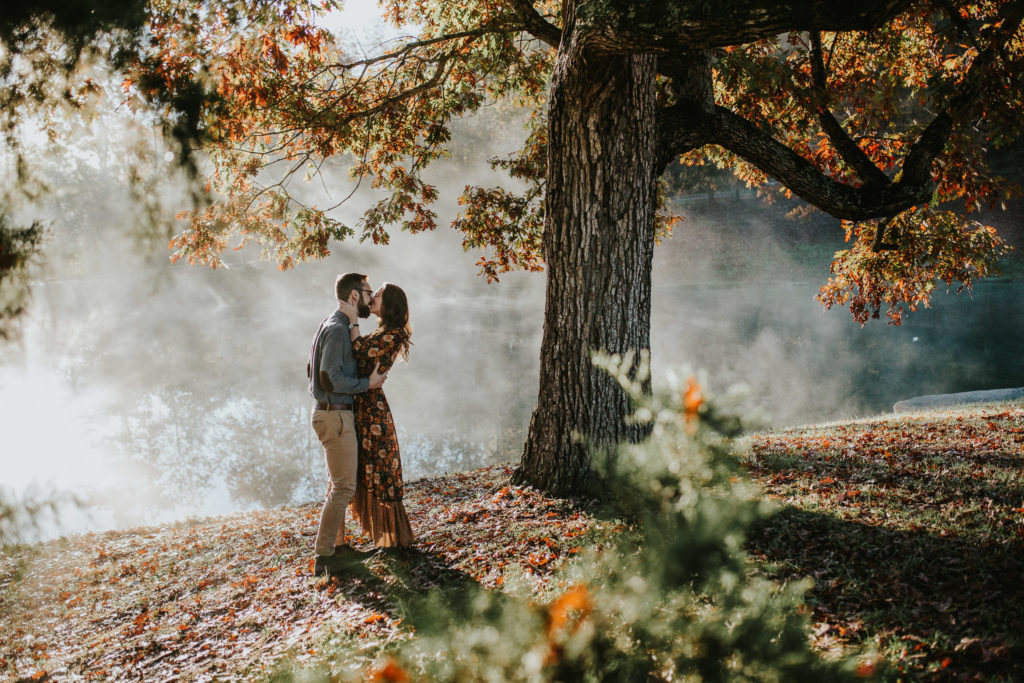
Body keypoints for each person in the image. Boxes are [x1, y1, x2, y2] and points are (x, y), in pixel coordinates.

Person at [307, 272, 387, 575]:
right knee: (343, 488)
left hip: (331, 413)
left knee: (338, 486)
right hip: (335, 415)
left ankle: (338, 548)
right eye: (368, 293)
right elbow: (329, 376)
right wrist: (368, 383)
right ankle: (324, 557)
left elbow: (310, 370)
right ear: (355, 295)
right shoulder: (338, 330)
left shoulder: (331, 323)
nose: (370, 299)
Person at [338, 283, 415, 547]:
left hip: (373, 410)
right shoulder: (383, 330)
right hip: (362, 403)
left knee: (381, 470)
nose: (371, 299)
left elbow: (359, 351)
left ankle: (392, 540)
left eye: (377, 295)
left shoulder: (394, 334)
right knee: (364, 467)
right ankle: (379, 537)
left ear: (389, 303)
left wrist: (352, 320)